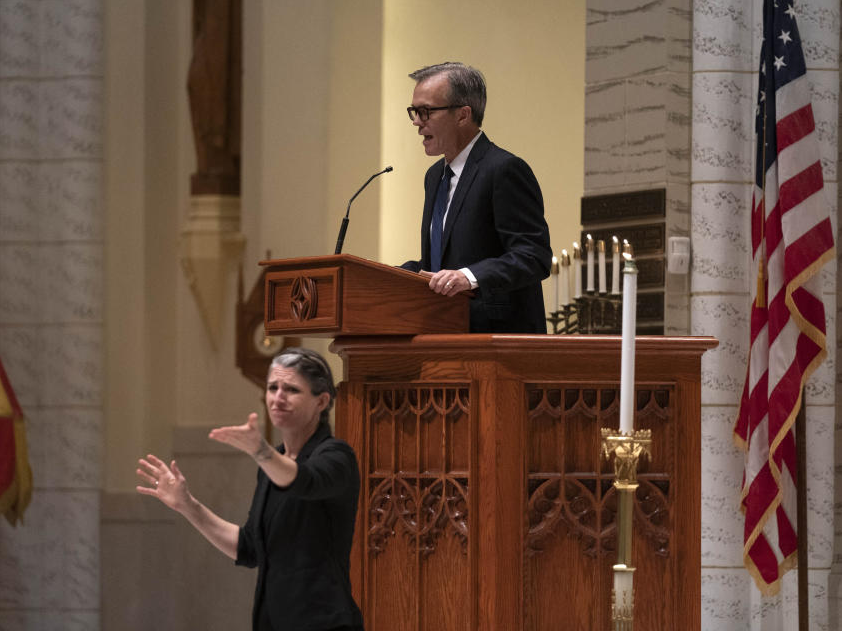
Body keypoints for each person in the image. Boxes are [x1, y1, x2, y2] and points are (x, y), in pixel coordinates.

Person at [136, 347, 364, 631]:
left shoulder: (337, 455)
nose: (278, 397)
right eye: (273, 387)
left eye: (292, 389)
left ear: (321, 401)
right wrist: (187, 505)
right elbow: (249, 548)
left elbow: (305, 480)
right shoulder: (271, 464)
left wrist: (261, 451)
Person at [399, 62, 552, 333]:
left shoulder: (503, 169)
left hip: (497, 340)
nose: (416, 122)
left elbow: (533, 256)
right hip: (441, 330)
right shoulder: (434, 177)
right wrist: (396, 275)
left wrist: (468, 277)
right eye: (414, 112)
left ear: (462, 115)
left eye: (425, 112)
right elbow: (442, 263)